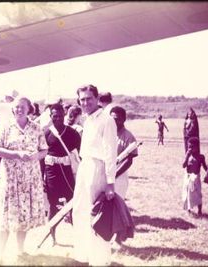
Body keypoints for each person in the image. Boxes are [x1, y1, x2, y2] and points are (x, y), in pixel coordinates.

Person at [0, 96, 48, 263]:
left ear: (29, 109)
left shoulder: (36, 128)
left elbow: (44, 150)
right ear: (12, 109)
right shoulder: (5, 126)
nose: (19, 109)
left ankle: (20, 251)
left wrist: (36, 155)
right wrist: (16, 154)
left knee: (24, 214)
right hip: (10, 178)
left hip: (29, 179)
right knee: (6, 216)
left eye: (23, 106)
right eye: (16, 106)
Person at [72, 84, 117, 266]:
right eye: (82, 99)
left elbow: (110, 153)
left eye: (89, 98)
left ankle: (100, 261)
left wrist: (110, 182)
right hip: (85, 166)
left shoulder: (106, 120)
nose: (85, 102)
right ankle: (84, 256)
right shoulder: (87, 119)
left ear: (97, 99)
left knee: (97, 215)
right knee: (80, 211)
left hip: (98, 168)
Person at [44, 103, 81, 246]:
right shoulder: (45, 133)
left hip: (68, 172)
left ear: (64, 115)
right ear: (50, 116)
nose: (58, 119)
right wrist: (42, 176)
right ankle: (52, 237)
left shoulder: (73, 133)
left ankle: (79, 238)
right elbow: (42, 158)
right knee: (53, 204)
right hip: (51, 172)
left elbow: (80, 155)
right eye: (54, 116)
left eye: (60, 116)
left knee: (73, 203)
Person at [110, 106, 138, 199]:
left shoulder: (129, 137)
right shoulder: (106, 134)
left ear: (123, 120)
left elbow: (128, 161)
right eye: (112, 119)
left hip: (119, 176)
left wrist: (114, 175)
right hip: (105, 173)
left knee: (116, 205)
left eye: (117, 119)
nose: (114, 122)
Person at [182, 137, 207, 217]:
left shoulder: (201, 157)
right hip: (188, 177)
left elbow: (205, 167)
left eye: (192, 147)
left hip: (196, 177)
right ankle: (189, 209)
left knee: (198, 193)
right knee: (188, 193)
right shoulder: (188, 155)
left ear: (197, 147)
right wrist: (186, 156)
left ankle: (199, 210)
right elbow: (183, 165)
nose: (190, 148)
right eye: (189, 147)